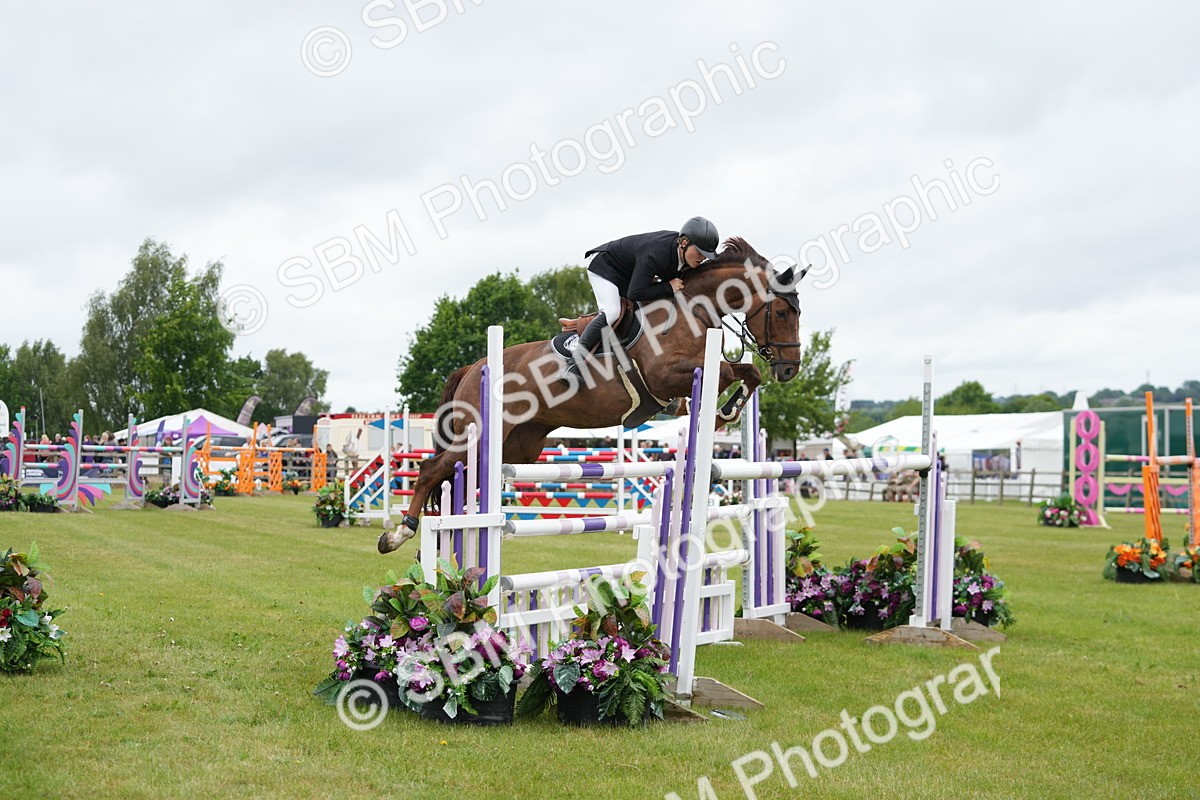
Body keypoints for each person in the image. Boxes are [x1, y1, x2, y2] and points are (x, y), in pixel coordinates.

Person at [560, 216, 720, 383]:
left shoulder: (681, 253)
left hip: (629, 273)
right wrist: (668, 287)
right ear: (685, 242)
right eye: (701, 252)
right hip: (605, 266)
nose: (703, 257)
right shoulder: (655, 253)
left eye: (707, 254)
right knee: (613, 311)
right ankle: (573, 364)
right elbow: (635, 293)